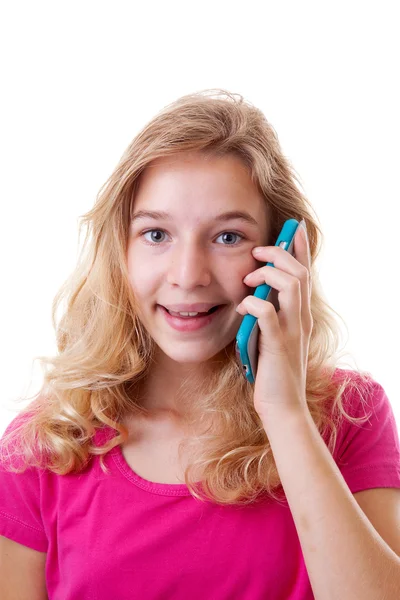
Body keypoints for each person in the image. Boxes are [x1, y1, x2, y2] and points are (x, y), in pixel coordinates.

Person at [1, 89, 400, 600]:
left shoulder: (348, 415)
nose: (188, 276)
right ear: (117, 248)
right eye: (156, 234)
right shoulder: (44, 446)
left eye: (227, 237)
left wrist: (285, 412)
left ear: (283, 254)